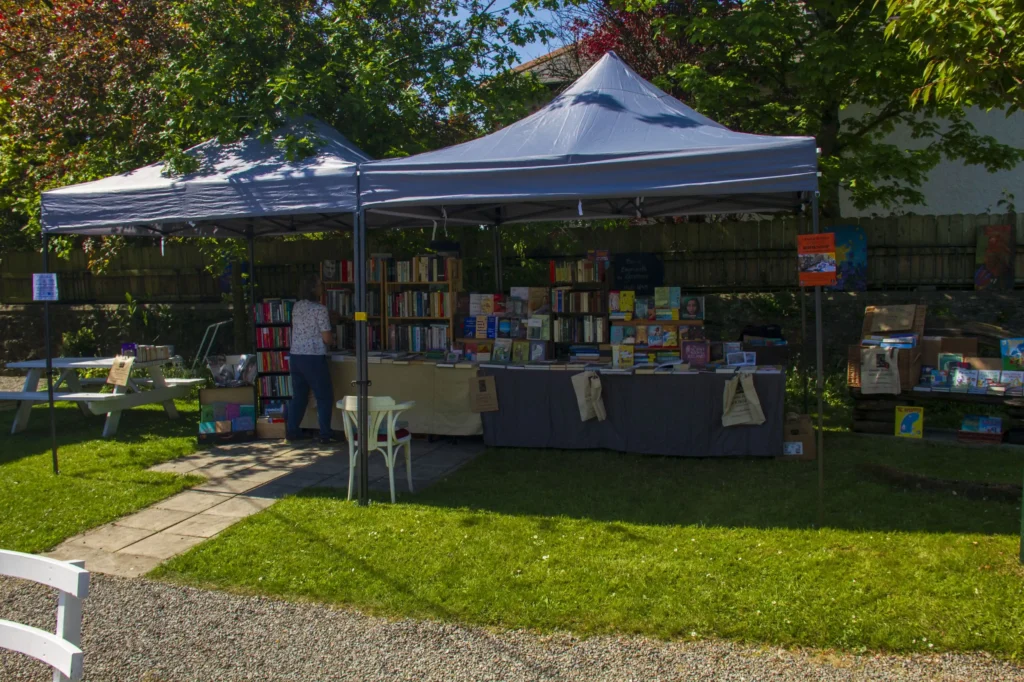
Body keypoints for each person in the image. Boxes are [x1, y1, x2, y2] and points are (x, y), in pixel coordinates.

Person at [286, 276, 335, 443]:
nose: (323, 288)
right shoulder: (320, 310)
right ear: (314, 289)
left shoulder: (297, 307)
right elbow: (327, 338)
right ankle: (325, 434)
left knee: (299, 395)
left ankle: (292, 431)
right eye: (320, 286)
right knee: (324, 396)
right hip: (313, 357)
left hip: (296, 356)